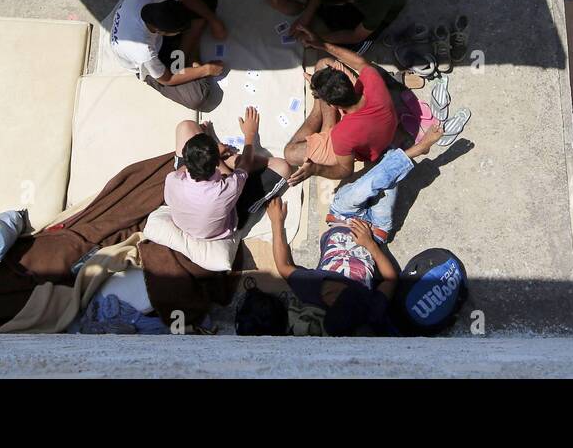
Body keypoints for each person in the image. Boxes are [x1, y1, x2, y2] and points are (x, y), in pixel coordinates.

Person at [266, 123, 442, 335]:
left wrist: (277, 223)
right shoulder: (369, 308)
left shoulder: (311, 289)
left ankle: (415, 150)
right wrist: (371, 246)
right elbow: (390, 278)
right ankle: (391, 153)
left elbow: (284, 266)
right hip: (376, 231)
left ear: (330, 300)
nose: (342, 285)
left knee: (367, 188)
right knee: (385, 183)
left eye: (338, 289)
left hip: (342, 217)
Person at [282, 36, 400, 183]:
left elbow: (345, 170)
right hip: (384, 126)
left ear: (331, 105)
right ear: (346, 80)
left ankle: (318, 115)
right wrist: (322, 44)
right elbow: (360, 62)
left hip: (361, 141)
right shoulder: (372, 79)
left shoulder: (342, 135)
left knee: (290, 153)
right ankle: (326, 122)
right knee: (323, 63)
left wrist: (316, 169)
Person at [165, 107, 291, 240]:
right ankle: (229, 161)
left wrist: (206, 154)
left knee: (185, 126)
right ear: (216, 165)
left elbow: (188, 168)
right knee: (283, 167)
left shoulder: (172, 179)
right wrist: (250, 134)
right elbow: (245, 166)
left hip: (199, 202)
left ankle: (224, 158)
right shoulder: (225, 190)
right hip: (230, 215)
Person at [107, 0, 227, 110]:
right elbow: (167, 79)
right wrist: (206, 69)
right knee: (198, 97)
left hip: (160, 41)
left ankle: (185, 53)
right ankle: (190, 53)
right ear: (161, 32)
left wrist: (213, 20)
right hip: (155, 63)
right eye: (180, 31)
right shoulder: (143, 52)